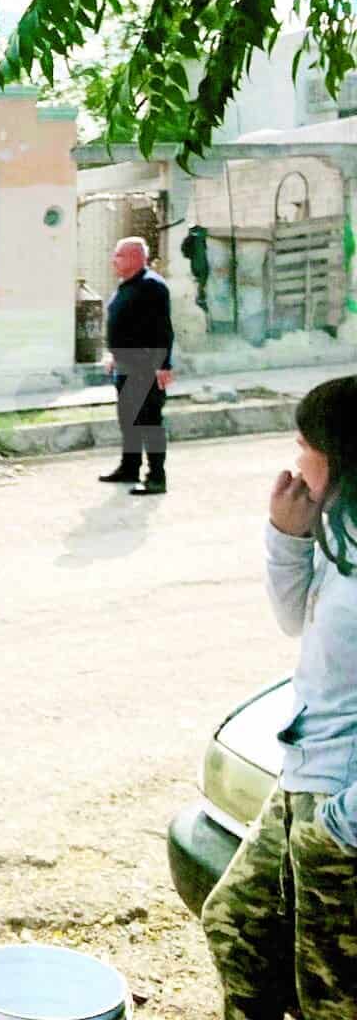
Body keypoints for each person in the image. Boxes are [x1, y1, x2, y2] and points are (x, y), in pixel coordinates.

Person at [202, 375, 357, 1019]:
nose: (296, 462)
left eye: (305, 447)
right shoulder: (340, 529)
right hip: (303, 779)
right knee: (235, 924)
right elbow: (296, 620)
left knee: (332, 999)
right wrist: (286, 537)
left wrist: (341, 825)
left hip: (340, 807)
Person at [99, 236, 174, 495]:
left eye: (120, 255)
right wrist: (113, 354)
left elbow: (163, 329)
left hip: (146, 365)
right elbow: (124, 325)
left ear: (137, 258)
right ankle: (129, 467)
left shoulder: (151, 286)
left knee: (149, 422)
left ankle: (156, 477)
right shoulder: (126, 286)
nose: (114, 260)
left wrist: (163, 366)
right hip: (125, 364)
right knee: (128, 420)